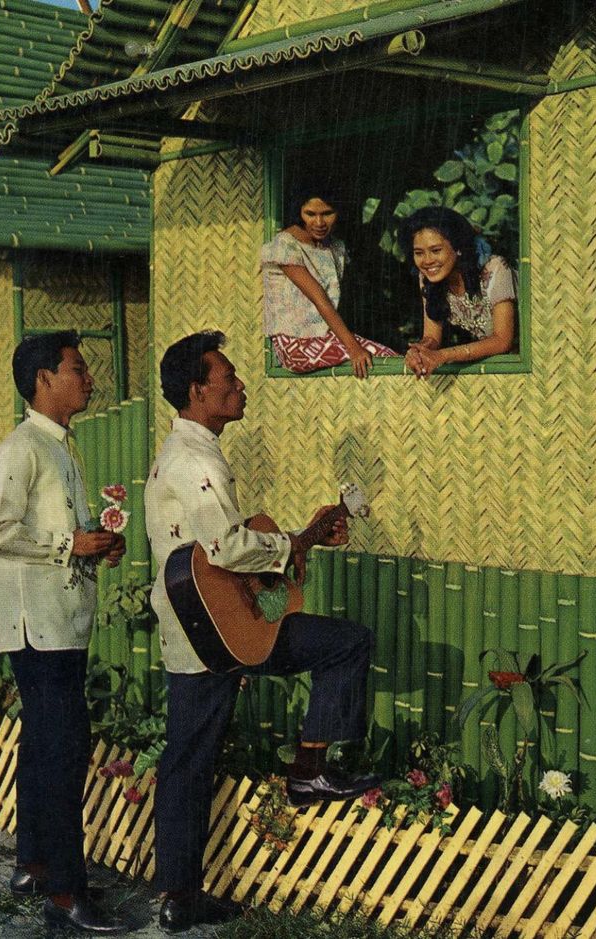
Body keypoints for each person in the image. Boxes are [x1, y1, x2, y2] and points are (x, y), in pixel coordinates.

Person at [144, 331, 380, 933]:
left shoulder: (184, 453)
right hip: (213, 632)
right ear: (199, 392)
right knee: (348, 644)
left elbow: (216, 552)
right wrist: (291, 543)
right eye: (229, 379)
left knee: (187, 760)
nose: (241, 385)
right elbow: (227, 547)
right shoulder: (196, 461)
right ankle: (309, 768)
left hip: (206, 627)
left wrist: (294, 543)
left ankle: (178, 895)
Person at [0, 332, 126, 934]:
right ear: (44, 379)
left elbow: (53, 530)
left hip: (57, 623)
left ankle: (33, 863)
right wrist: (69, 543)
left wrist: (94, 541)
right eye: (78, 369)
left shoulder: (60, 446)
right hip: (37, 626)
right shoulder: (20, 449)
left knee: (43, 745)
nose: (89, 380)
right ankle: (66, 893)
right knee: (62, 751)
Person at [261, 184, 397, 378]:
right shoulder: (285, 245)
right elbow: (320, 299)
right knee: (384, 359)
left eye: (327, 213)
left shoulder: (335, 246)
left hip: (326, 337)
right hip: (295, 345)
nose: (319, 222)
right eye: (310, 214)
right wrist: (354, 348)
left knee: (389, 358)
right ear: (298, 211)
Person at [401, 207, 517, 378]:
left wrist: (443, 355)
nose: (427, 261)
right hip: (496, 370)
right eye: (419, 253)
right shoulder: (428, 277)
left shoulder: (495, 268)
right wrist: (420, 351)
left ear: (458, 247)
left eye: (436, 250)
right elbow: (432, 337)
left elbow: (502, 340)